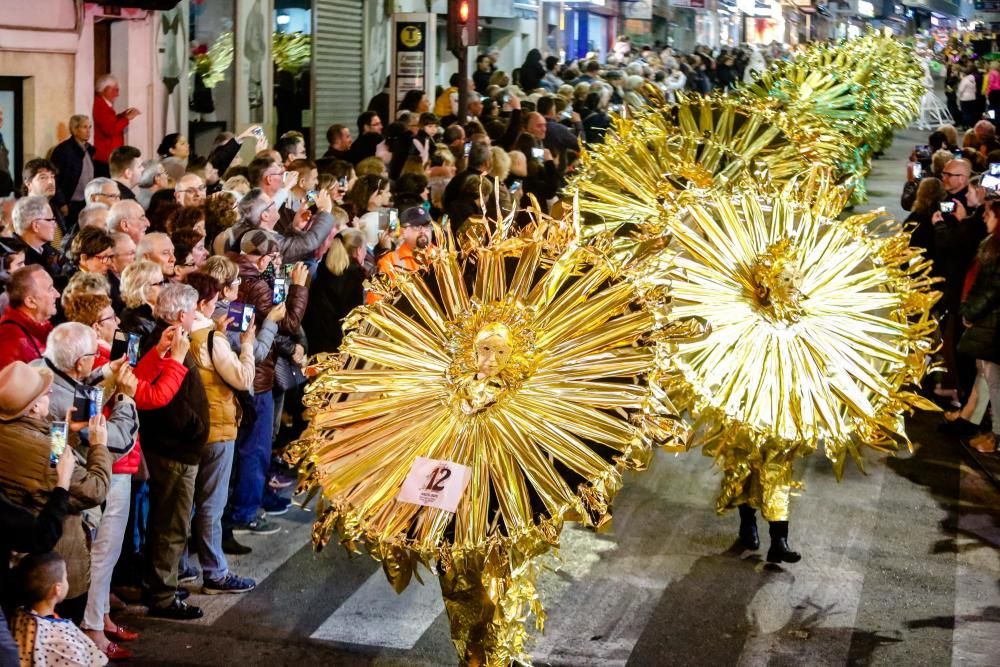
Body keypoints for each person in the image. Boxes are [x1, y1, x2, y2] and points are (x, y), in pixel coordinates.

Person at [179, 273, 258, 594]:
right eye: (213, 302)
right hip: (217, 426)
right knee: (211, 503)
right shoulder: (211, 337)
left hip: (187, 427)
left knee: (186, 502)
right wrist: (248, 347)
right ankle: (215, 573)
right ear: (202, 303)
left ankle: (182, 566)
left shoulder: (181, 333)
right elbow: (241, 378)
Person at [225, 231, 308, 536]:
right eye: (275, 258)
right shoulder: (256, 283)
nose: (280, 263)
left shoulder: (241, 273)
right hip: (257, 377)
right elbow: (287, 322)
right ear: (262, 259)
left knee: (250, 448)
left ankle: (245, 504)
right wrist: (298, 287)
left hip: (251, 371)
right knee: (255, 448)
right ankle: (245, 511)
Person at [136, 284, 209, 620]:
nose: (197, 316)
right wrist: (195, 430)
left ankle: (160, 583)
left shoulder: (169, 340)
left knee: (168, 522)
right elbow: (166, 401)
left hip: (174, 448)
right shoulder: (166, 345)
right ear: (182, 315)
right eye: (194, 310)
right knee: (170, 525)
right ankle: (163, 595)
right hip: (174, 450)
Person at [12, 553, 109, 667]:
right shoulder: (62, 638)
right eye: (65, 578)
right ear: (57, 589)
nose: (67, 581)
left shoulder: (18, 616)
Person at [957, 198, 1000, 453]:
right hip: (988, 323)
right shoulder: (991, 247)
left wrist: (970, 313)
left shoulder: (996, 251)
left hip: (991, 325)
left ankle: (996, 436)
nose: (984, 218)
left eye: (989, 214)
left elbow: (990, 290)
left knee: (995, 381)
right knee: (989, 378)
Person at [303, 228, 366, 355]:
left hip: (314, 340)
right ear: (359, 250)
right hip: (337, 346)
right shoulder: (353, 276)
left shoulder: (322, 270)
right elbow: (351, 317)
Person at [0, 265, 58, 369]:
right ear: (31, 302)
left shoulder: (40, 323)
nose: (57, 294)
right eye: (50, 289)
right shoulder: (10, 341)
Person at [50, 115, 96, 226]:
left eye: (89, 127)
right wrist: (61, 203)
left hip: (86, 203)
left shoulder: (88, 149)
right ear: (74, 129)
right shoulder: (63, 150)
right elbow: (54, 178)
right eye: (84, 127)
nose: (88, 131)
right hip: (70, 204)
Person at [92, 75, 140, 176]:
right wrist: (126, 118)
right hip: (103, 159)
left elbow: (109, 122)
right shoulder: (99, 105)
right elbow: (109, 129)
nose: (117, 94)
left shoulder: (103, 104)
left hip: (108, 158)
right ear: (106, 89)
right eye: (116, 90)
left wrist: (122, 116)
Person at [376, 206, 433, 277]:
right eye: (416, 227)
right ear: (403, 231)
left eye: (426, 226)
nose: (423, 231)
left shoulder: (443, 255)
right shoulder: (389, 261)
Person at [118, 260, 165, 340]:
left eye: (164, 282)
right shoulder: (131, 321)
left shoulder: (157, 312)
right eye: (160, 283)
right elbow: (132, 352)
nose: (164, 287)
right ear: (143, 288)